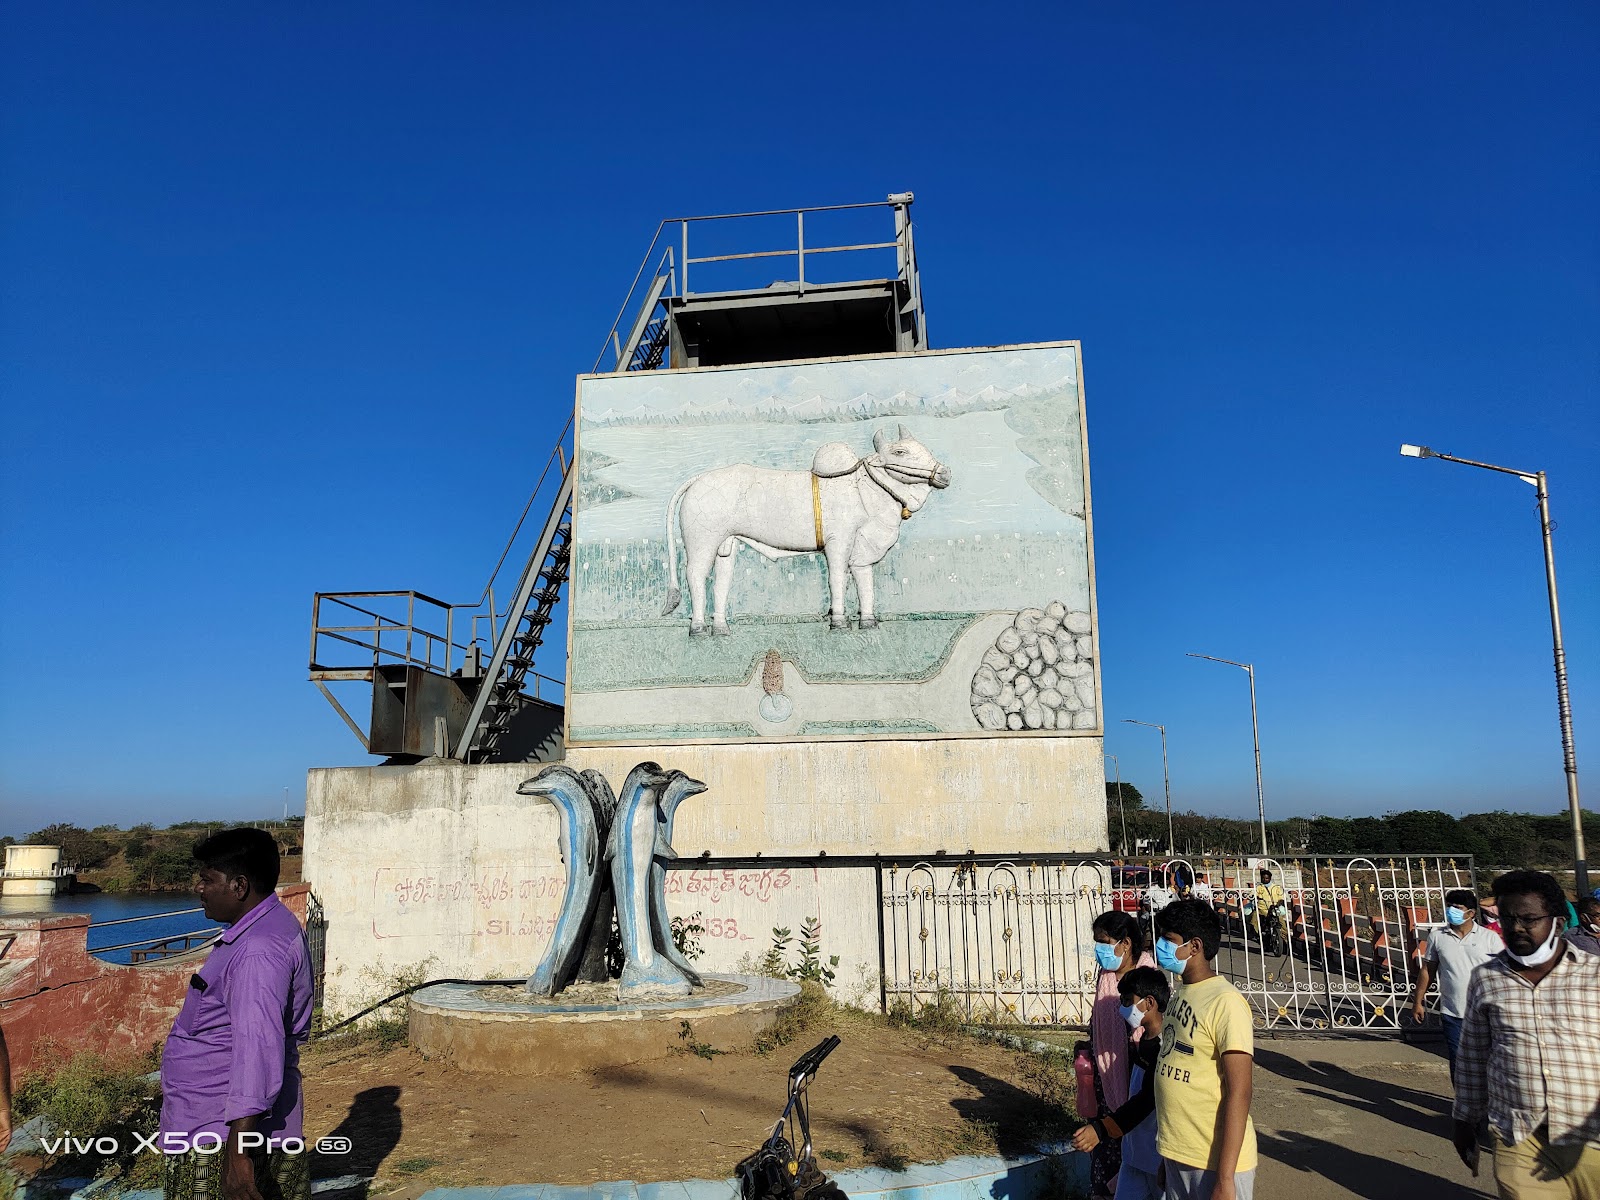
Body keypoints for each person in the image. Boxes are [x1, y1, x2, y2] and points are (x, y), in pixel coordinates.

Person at [160, 829, 313, 1200]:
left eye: (207, 879)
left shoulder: (257, 953)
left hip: (218, 1133)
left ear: (239, 886)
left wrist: (237, 1155)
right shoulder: (265, 928)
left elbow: (257, 1052)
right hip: (216, 1123)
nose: (199, 888)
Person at [1452, 870, 1600, 1197]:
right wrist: (1464, 1120)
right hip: (1519, 1136)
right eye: (1508, 919)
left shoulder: (1594, 976)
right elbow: (1473, 1056)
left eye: (1529, 919)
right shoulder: (1487, 980)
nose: (1516, 928)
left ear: (1558, 924)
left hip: (1591, 1139)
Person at [1153, 899, 1257, 1200]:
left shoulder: (1225, 1002)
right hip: (1179, 1155)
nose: (1160, 945)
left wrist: (1225, 1179)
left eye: (1168, 940)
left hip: (1214, 1162)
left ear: (1194, 946)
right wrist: (1167, 1156)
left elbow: (1240, 1091)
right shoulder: (1181, 994)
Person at [1071, 967, 1170, 1200]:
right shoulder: (1142, 1041)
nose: (1123, 1008)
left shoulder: (1164, 1046)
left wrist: (1101, 1129)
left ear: (1149, 1003)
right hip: (1134, 1155)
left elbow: (1147, 1099)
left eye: (1128, 1001)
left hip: (1158, 1157)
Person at [1086, 910, 1159, 1197]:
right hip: (1106, 1078)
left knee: (1136, 1139)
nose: (1099, 949)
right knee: (1105, 1152)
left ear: (1125, 943)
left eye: (1104, 942)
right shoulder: (1105, 976)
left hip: (1135, 1070)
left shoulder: (1146, 977)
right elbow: (1100, 1022)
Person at [1407, 888, 1500, 1076]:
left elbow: (1502, 973)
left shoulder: (1489, 938)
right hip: (1452, 1012)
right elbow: (1427, 971)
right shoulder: (1437, 936)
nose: (1451, 911)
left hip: (1484, 1012)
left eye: (1457, 908)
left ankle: (1488, 1102)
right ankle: (1461, 1101)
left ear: (1471, 913)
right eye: (1449, 907)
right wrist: (1418, 1001)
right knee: (1458, 1060)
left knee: (1488, 1060)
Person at [1249, 868, 1285, 951]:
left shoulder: (1276, 887)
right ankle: (1258, 935)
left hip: (1274, 909)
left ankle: (1285, 942)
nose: (1265, 880)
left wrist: (1277, 905)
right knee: (1255, 921)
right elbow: (1252, 895)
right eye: (1263, 878)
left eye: (1267, 878)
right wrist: (1254, 897)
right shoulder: (1259, 887)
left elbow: (1281, 898)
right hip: (1262, 909)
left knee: (1282, 924)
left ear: (1270, 878)